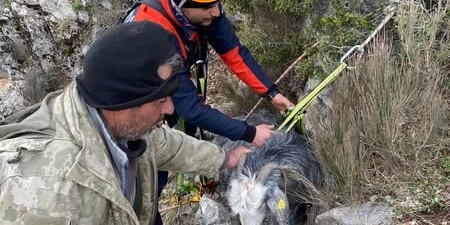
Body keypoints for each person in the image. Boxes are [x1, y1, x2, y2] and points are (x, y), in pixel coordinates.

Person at [0, 21, 250, 225]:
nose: (171, 108)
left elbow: (165, 144)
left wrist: (224, 159)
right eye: (161, 100)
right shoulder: (46, 194)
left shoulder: (127, 125)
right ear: (121, 104)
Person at [124, 0, 295, 147]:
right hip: (128, 110)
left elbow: (234, 53)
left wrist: (272, 93)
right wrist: (250, 134)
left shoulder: (202, 11)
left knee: (186, 127)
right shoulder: (151, 30)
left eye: (217, 3)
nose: (215, 12)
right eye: (208, 7)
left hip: (170, 80)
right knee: (149, 161)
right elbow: (190, 108)